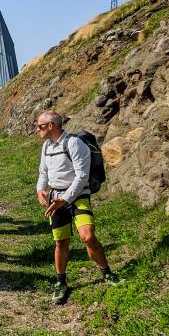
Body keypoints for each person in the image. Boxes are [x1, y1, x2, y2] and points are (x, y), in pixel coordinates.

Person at [35, 110, 121, 305]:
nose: (37, 129)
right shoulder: (46, 147)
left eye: (40, 126)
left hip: (78, 197)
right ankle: (61, 282)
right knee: (61, 242)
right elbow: (43, 172)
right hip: (55, 198)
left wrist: (65, 200)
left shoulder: (74, 143)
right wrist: (40, 190)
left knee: (88, 236)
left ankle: (106, 273)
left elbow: (82, 176)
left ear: (51, 126)